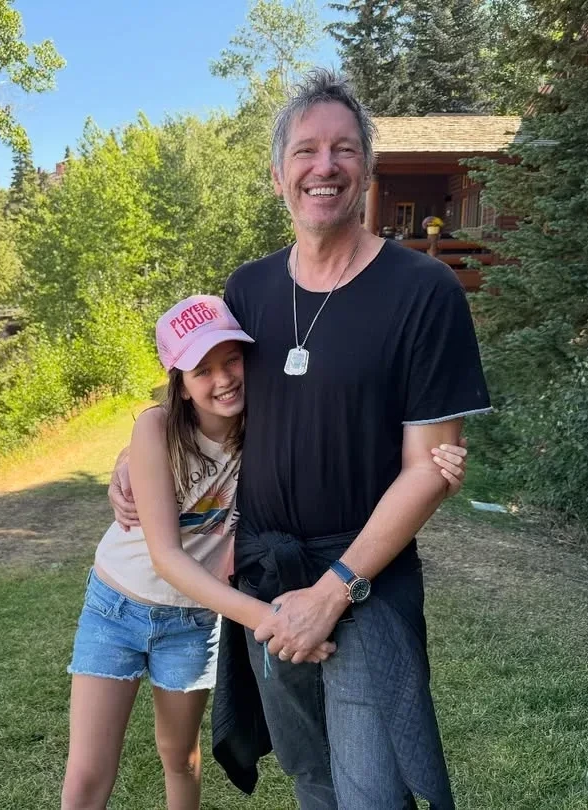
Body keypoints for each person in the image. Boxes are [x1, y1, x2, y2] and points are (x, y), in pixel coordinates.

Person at [109, 68, 490, 810]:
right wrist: (138, 453)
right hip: (265, 574)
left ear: (367, 168)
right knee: (309, 772)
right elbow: (210, 403)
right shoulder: (248, 290)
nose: (325, 166)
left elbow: (427, 467)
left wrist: (333, 591)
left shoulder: (424, 292)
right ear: (278, 173)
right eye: (306, 150)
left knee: (374, 789)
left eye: (344, 149)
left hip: (365, 578)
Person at [62, 294, 343, 810]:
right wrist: (271, 620)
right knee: (87, 774)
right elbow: (166, 558)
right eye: (202, 370)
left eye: (231, 360)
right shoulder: (155, 429)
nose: (223, 379)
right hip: (115, 609)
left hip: (192, 621)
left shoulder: (266, 431)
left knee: (180, 757)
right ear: (181, 384)